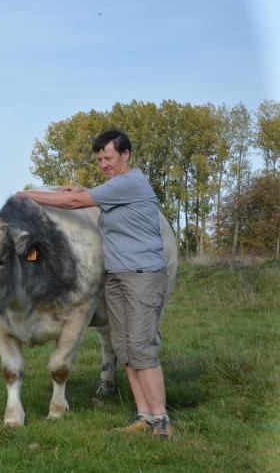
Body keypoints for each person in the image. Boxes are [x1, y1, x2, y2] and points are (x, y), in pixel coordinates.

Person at [15, 129, 172, 440]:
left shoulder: (130, 182)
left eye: (109, 157)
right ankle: (144, 415)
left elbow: (75, 202)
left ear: (126, 155)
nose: (104, 163)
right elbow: (88, 195)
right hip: (117, 276)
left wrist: (26, 195)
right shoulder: (117, 187)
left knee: (142, 348)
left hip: (142, 276)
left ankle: (162, 418)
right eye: (100, 159)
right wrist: (83, 188)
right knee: (124, 348)